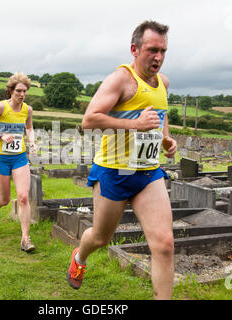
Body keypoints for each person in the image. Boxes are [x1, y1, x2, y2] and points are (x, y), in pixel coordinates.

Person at [66, 20, 178, 300]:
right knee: (101, 238)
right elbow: (88, 121)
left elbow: (160, 115)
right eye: (153, 50)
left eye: (163, 51)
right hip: (114, 172)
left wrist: (165, 138)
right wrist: (135, 125)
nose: (159, 57)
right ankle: (80, 257)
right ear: (135, 49)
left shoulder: (163, 82)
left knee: (164, 244)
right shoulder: (121, 79)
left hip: (148, 173)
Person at [0, 73, 37, 253]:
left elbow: (29, 127)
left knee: (23, 197)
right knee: (4, 199)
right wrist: (1, 135)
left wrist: (32, 141)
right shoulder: (1, 107)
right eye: (19, 91)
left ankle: (25, 239)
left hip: (19, 157)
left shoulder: (28, 109)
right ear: (10, 90)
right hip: (1, 158)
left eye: (25, 91)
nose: (22, 94)